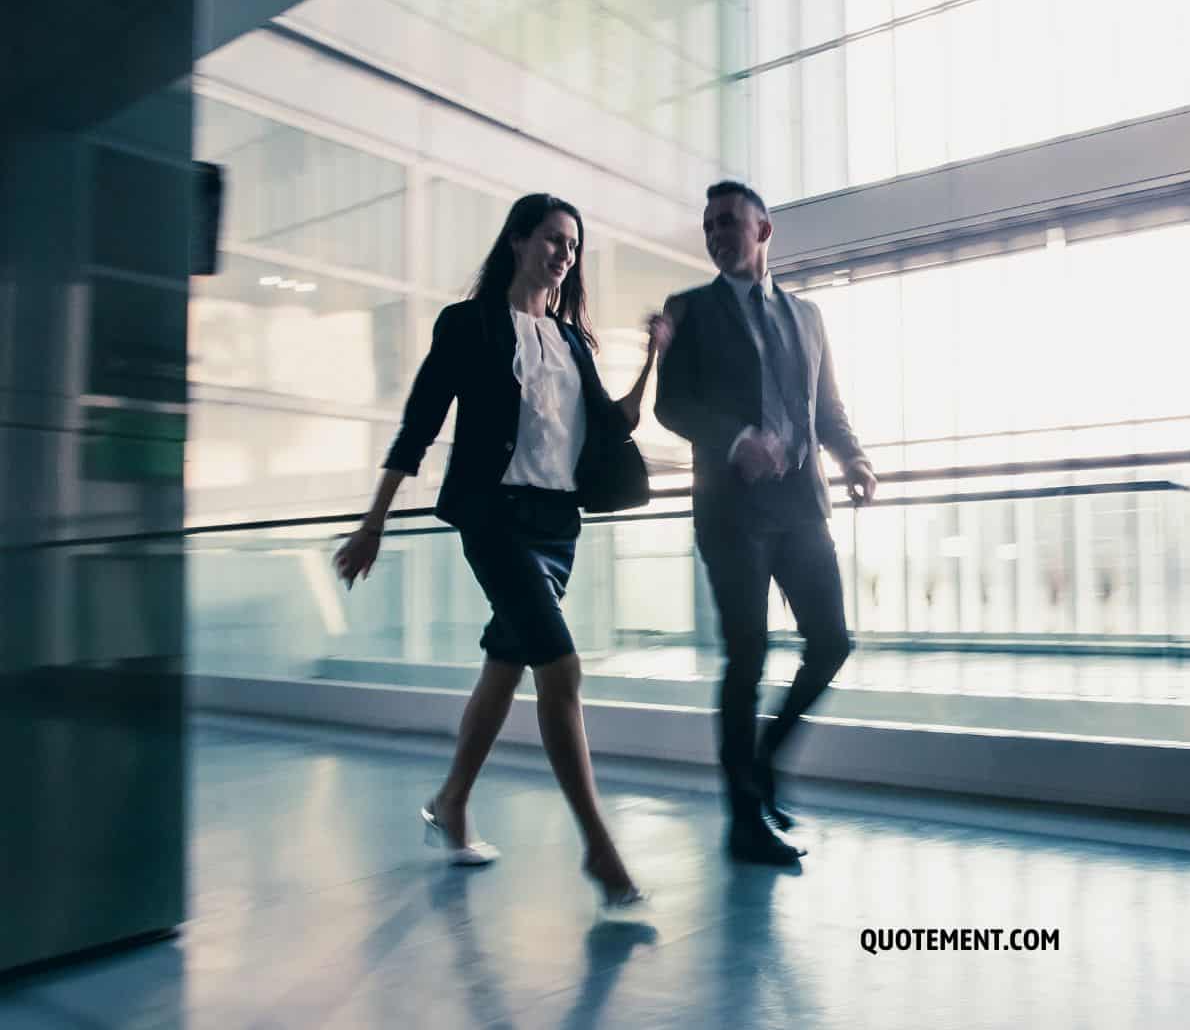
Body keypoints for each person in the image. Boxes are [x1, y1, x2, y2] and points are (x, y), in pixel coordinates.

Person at [332, 192, 672, 921]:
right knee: (563, 666)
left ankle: (450, 803)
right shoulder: (468, 325)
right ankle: (598, 845)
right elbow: (417, 427)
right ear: (518, 242)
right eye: (552, 239)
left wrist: (651, 360)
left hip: (557, 527)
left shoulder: (573, 341)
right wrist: (373, 523)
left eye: (572, 246)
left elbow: (612, 427)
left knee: (507, 664)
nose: (564, 254)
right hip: (495, 518)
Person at [656, 180, 877, 865]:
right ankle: (744, 821)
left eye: (729, 222)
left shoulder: (807, 316)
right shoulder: (687, 310)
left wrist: (855, 458)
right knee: (746, 655)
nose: (718, 234)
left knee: (832, 641)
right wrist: (734, 439)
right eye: (709, 226)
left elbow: (827, 406)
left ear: (763, 230)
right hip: (732, 513)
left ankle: (760, 763)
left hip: (802, 508)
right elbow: (671, 406)